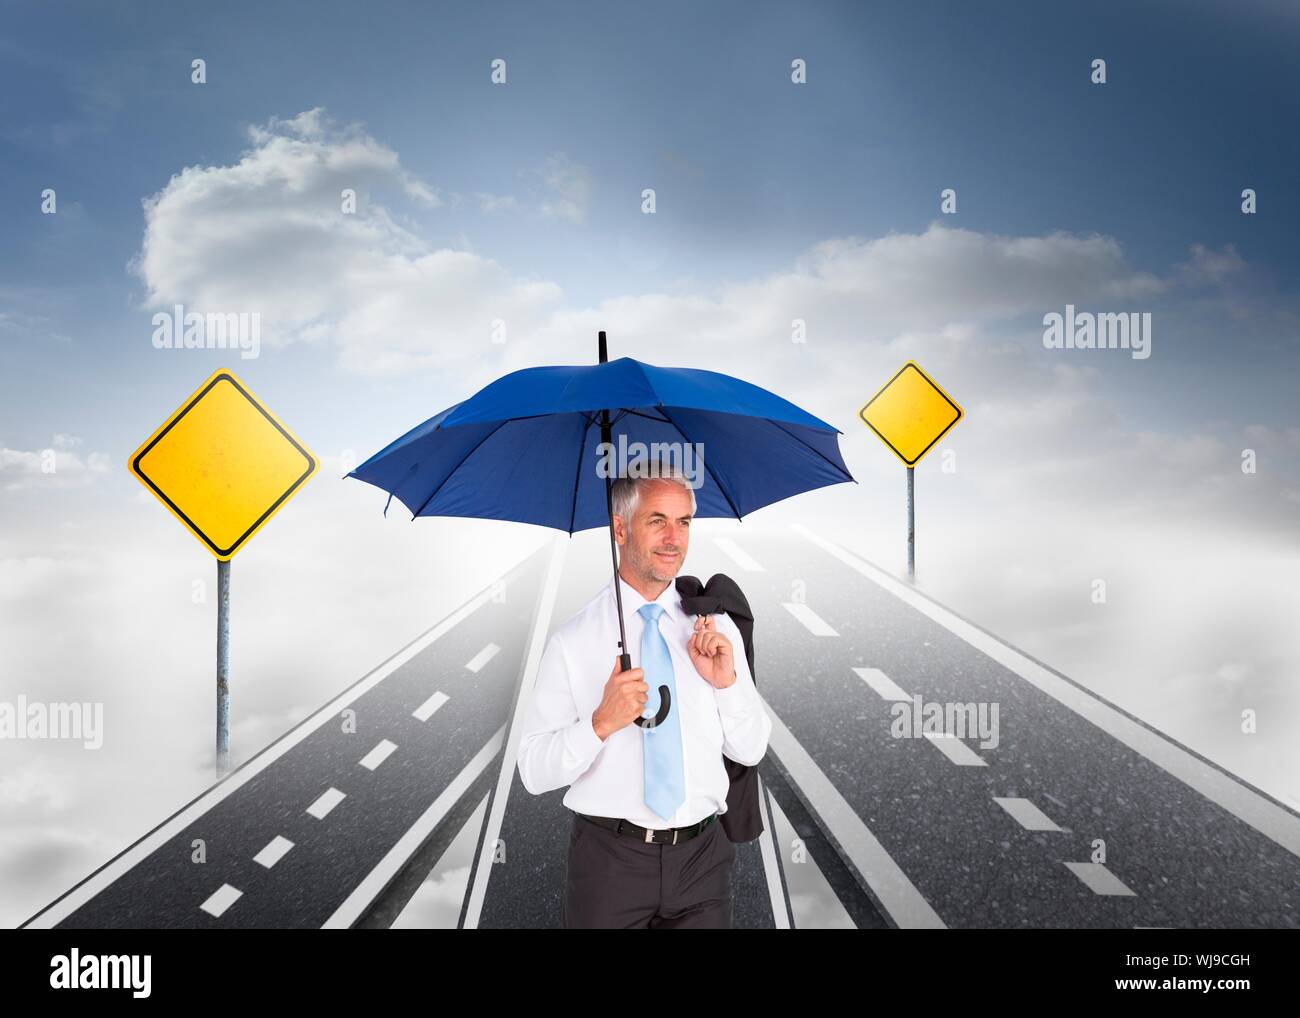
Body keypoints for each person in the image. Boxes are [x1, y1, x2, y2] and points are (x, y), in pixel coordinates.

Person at [516, 462, 772, 928]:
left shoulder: (714, 627)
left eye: (684, 522)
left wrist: (727, 683)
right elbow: (533, 771)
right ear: (619, 528)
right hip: (610, 865)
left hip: (702, 862)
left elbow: (751, 748)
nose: (674, 539)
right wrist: (600, 724)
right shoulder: (573, 642)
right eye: (657, 521)